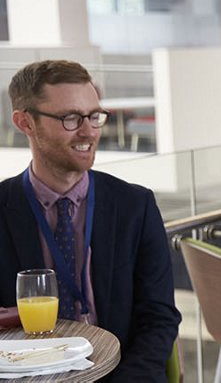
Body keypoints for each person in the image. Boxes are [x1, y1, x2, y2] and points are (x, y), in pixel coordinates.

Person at [0, 60, 180, 381]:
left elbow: (159, 317)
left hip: (122, 375)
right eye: (70, 118)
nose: (89, 131)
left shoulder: (135, 206)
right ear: (24, 122)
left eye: (94, 116)